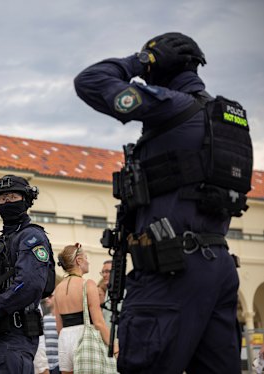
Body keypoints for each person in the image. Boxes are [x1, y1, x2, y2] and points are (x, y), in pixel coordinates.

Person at [75, 32, 250, 373]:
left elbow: (90, 81)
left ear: (161, 65)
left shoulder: (172, 106)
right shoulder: (228, 120)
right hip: (219, 267)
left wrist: (139, 61)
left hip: (169, 270)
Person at [0, 174, 55, 374]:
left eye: (12, 196)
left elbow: (29, 283)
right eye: (2, 198)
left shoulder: (31, 237)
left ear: (26, 200)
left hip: (14, 336)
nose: (7, 202)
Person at [54, 243, 111, 374]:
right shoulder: (88, 284)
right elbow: (98, 322)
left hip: (64, 339)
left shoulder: (58, 289)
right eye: (86, 257)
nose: (88, 261)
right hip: (84, 336)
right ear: (79, 260)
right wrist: (113, 346)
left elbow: (59, 326)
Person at [42, 293, 60, 374]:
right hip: (46, 366)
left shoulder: (62, 320)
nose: (46, 299)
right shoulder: (44, 319)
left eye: (50, 297)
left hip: (59, 364)